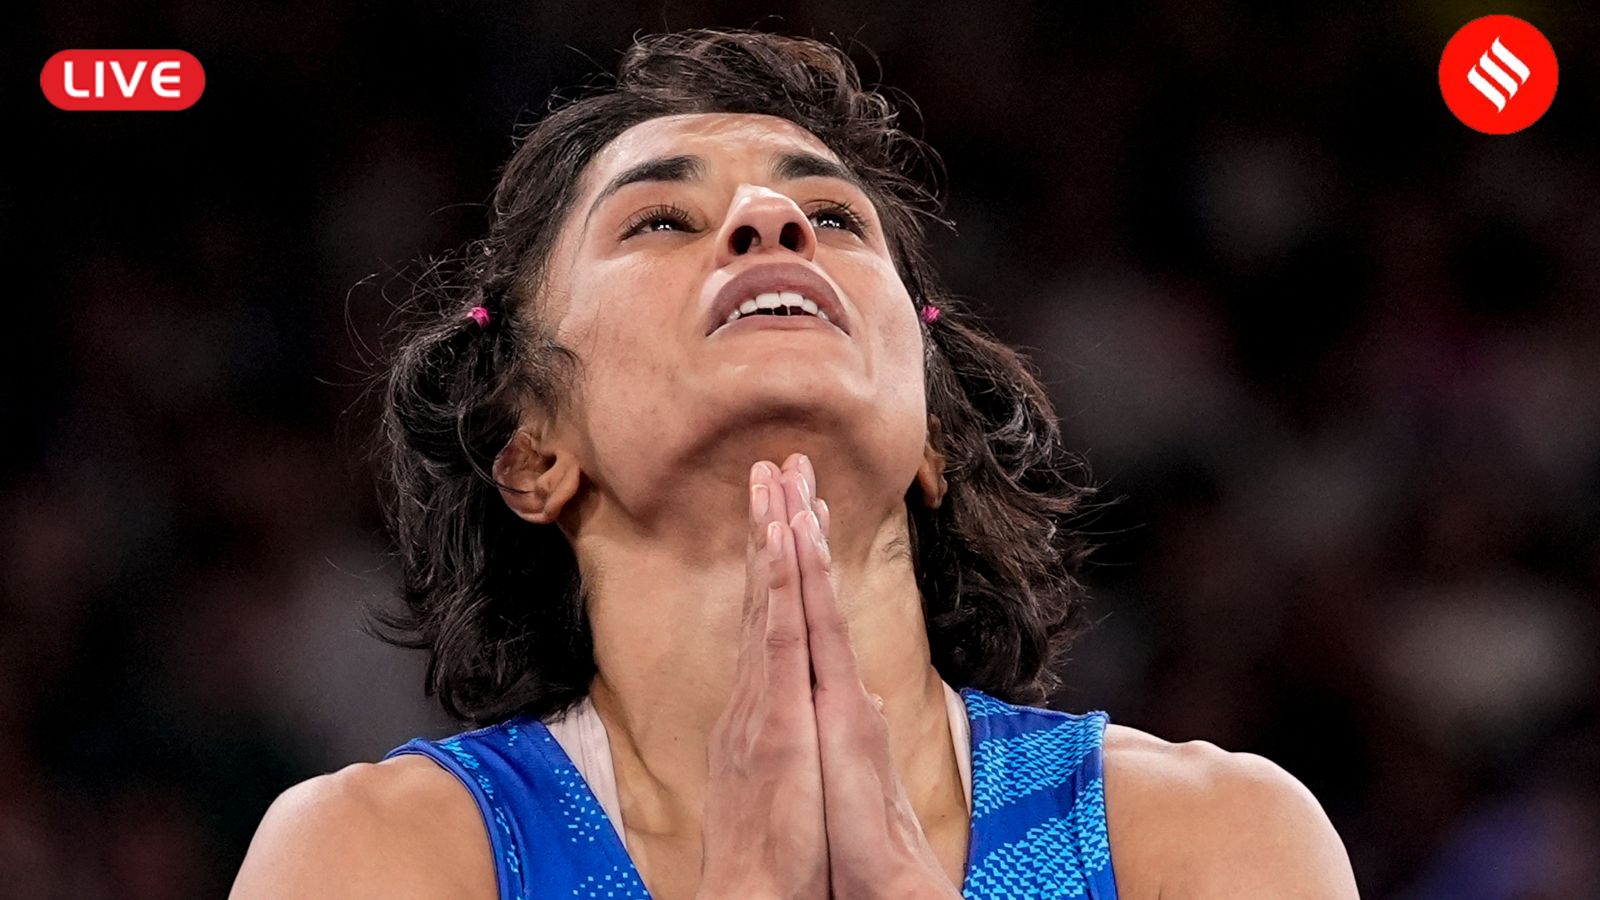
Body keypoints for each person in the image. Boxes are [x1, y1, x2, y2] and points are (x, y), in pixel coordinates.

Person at [231, 29, 1359, 899]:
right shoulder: (383, 854)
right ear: (530, 449)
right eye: (660, 220)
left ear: (935, 434)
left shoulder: (1205, 837)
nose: (771, 220)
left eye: (835, 215)